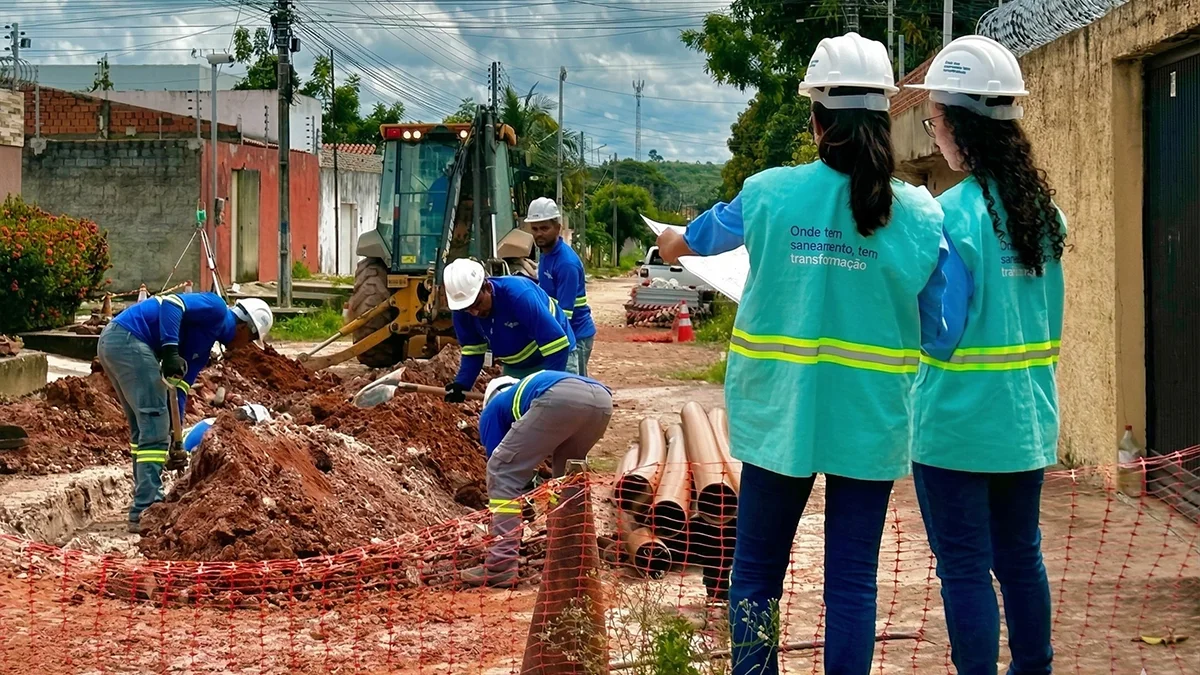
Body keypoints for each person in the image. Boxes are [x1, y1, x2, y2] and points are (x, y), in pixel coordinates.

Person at [656, 32, 962, 675]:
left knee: (757, 570)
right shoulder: (919, 212)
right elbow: (944, 324)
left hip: (779, 418)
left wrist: (671, 245)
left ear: (816, 120)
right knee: (852, 581)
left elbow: (698, 237)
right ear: (885, 116)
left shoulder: (768, 192)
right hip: (870, 421)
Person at [906, 35, 1065, 675]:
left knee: (965, 569)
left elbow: (939, 332)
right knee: (1020, 557)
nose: (934, 130)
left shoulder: (946, 217)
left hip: (954, 427)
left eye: (935, 119)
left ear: (961, 125)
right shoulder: (1044, 216)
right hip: (1025, 422)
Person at [97, 293, 273, 533]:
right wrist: (170, 351)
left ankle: (143, 506)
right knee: (154, 428)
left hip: (117, 342)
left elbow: (179, 388)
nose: (245, 347)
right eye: (250, 340)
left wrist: (176, 439)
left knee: (145, 430)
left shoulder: (203, 345)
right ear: (244, 328)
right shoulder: (216, 308)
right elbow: (172, 304)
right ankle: (148, 508)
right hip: (130, 339)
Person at [460, 371, 613, 587]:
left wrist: (514, 500)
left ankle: (501, 565)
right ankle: (569, 556)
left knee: (501, 469)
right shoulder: (528, 391)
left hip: (561, 400)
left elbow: (500, 465)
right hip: (602, 400)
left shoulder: (493, 410)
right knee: (567, 479)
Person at [442, 258, 575, 402]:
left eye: (477, 304)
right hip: (516, 366)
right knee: (516, 417)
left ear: (487, 286)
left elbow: (557, 345)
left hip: (556, 356)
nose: (474, 312)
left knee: (560, 409)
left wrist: (548, 386)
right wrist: (462, 384)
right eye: (467, 309)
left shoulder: (518, 295)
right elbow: (473, 350)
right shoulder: (462, 310)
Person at [526, 197, 597, 376]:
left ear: (558, 228)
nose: (539, 234)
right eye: (535, 229)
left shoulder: (566, 264)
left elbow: (564, 315)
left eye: (544, 228)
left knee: (574, 388)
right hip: (564, 331)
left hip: (576, 334)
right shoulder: (546, 254)